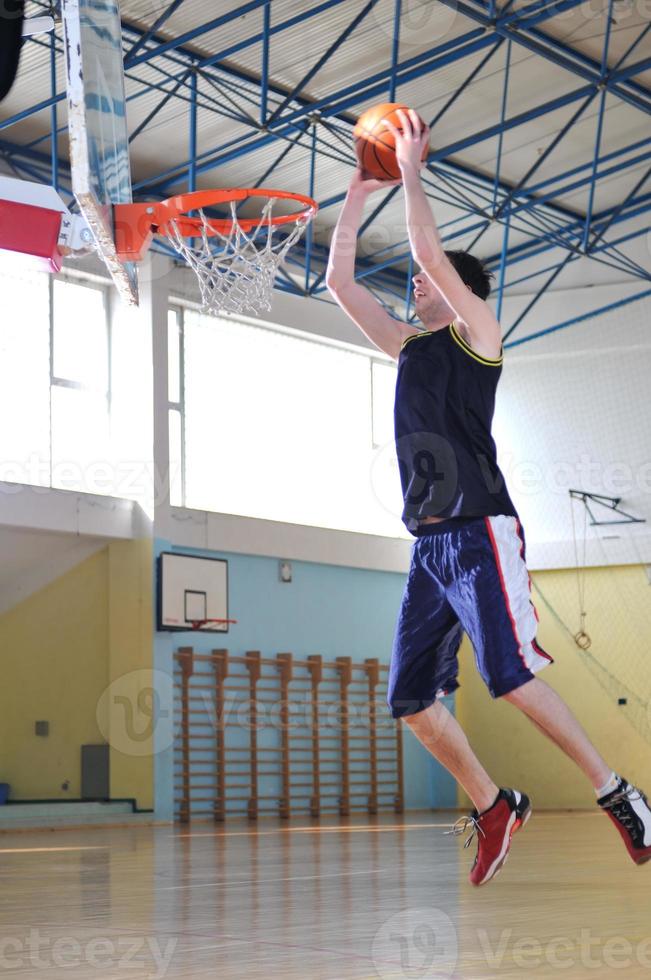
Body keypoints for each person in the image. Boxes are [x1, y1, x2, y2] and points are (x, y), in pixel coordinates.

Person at [326, 108, 651, 885]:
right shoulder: (407, 346)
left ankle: (616, 792)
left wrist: (409, 168)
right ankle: (491, 802)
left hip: (479, 532)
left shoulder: (478, 333)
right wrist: (356, 187)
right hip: (428, 546)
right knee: (410, 701)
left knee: (509, 676)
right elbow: (338, 280)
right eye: (412, 282)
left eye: (423, 280)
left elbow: (426, 251)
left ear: (458, 291)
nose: (410, 284)